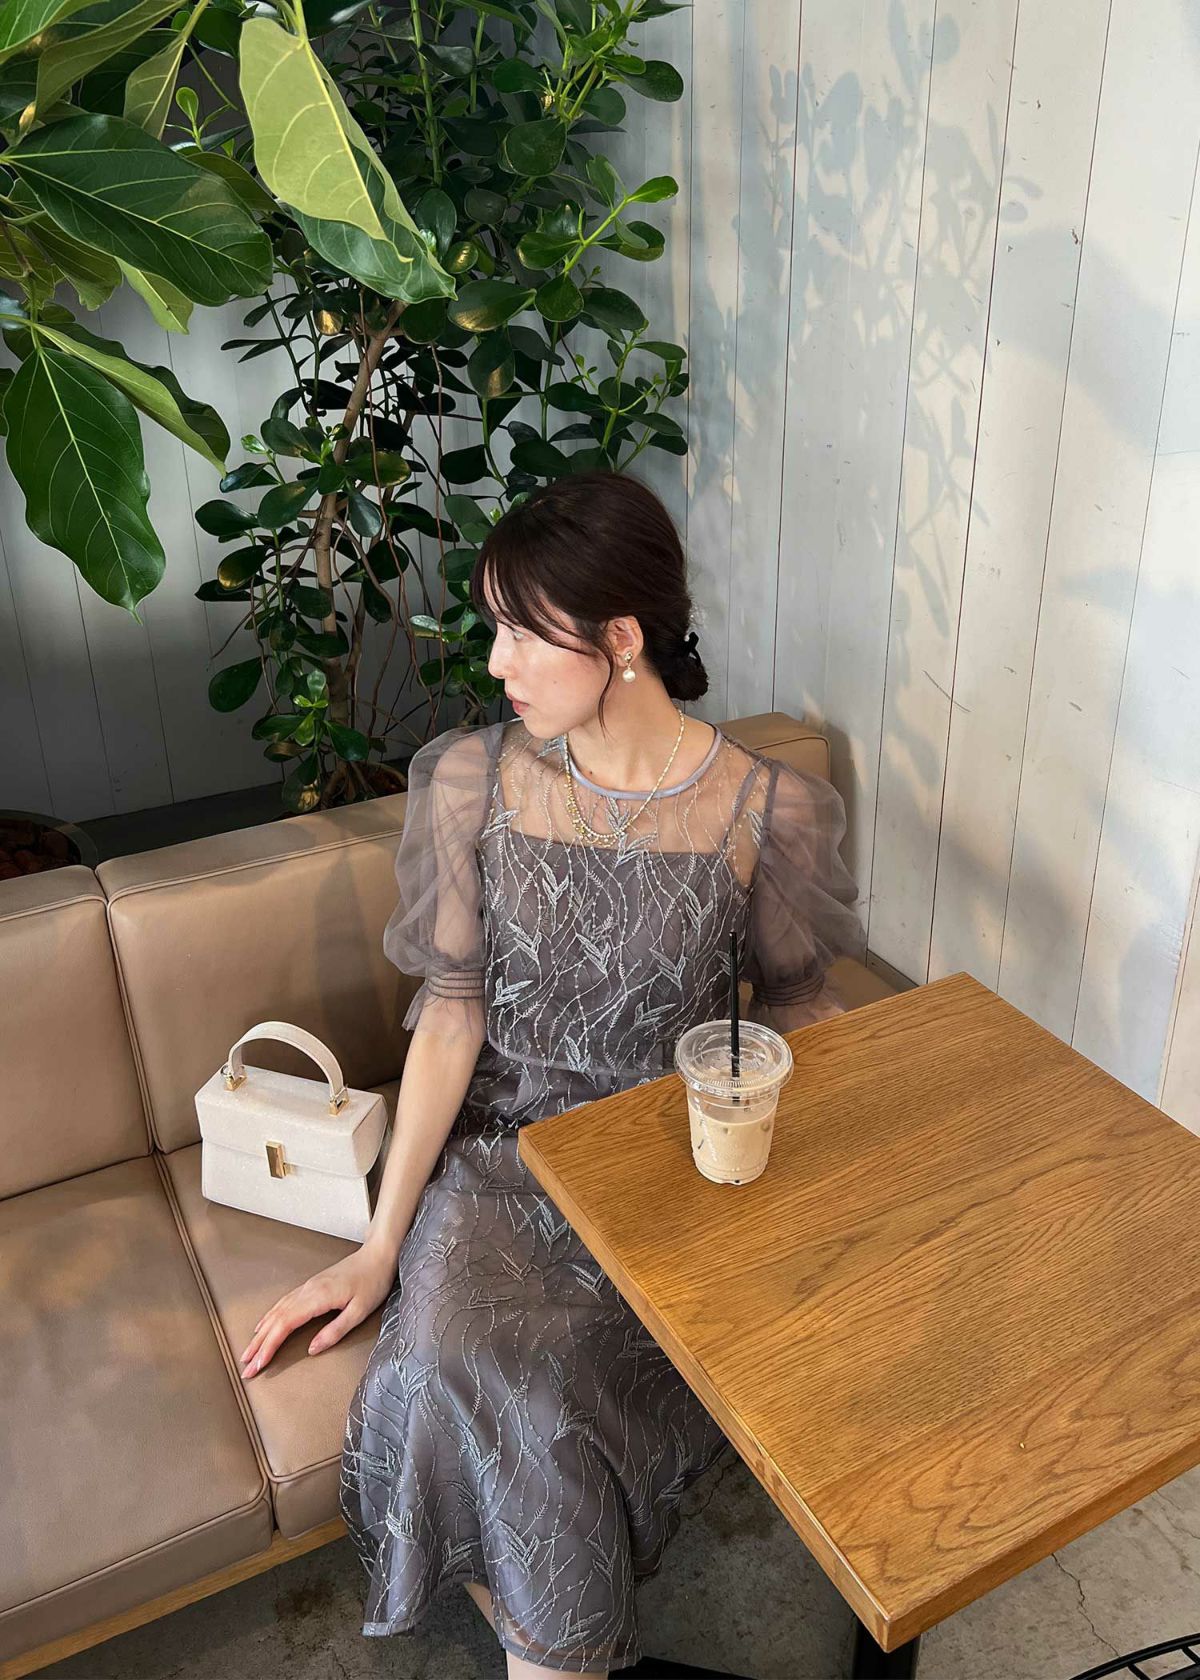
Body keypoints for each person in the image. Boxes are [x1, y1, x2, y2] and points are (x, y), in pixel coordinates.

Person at [236, 469, 866, 1677]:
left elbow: (802, 1014)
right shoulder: (472, 782)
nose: (496, 663)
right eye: (495, 628)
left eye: (522, 632)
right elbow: (451, 1018)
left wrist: (830, 1211)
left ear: (620, 638)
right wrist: (379, 1244)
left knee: (546, 1398)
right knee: (452, 1367)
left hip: (668, 1177)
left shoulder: (764, 810)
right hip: (503, 1165)